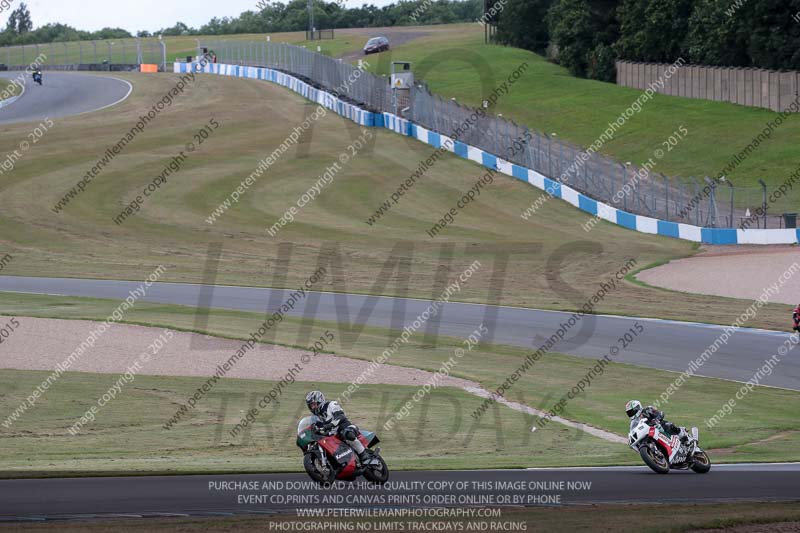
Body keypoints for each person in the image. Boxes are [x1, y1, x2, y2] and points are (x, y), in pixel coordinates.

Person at [305, 390, 378, 465]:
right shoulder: (316, 417)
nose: (312, 407)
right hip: (332, 435)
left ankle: (365, 456)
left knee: (347, 433)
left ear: (320, 401)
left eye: (313, 404)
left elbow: (340, 416)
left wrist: (329, 425)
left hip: (345, 427)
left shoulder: (331, 404)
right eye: (310, 405)